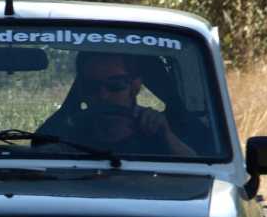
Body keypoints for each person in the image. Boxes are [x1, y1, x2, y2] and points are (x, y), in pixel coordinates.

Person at [41, 52, 193, 156]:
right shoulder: (67, 131)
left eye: (115, 84)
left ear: (135, 86)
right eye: (92, 86)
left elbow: (201, 171)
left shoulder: (157, 130)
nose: (103, 95)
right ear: (81, 90)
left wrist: (168, 137)